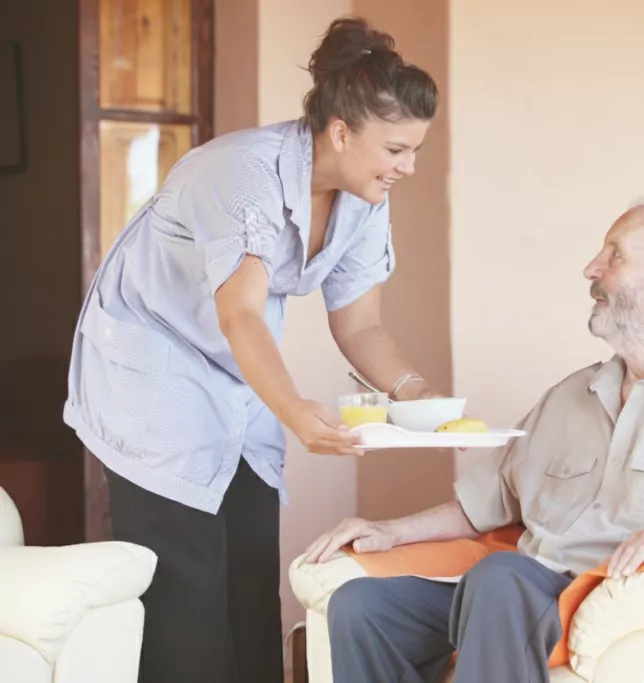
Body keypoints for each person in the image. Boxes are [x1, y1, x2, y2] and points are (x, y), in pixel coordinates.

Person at [63, 16, 444, 683]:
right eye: (396, 149)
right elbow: (239, 313)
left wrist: (418, 396)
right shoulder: (242, 173)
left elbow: (359, 328)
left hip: (237, 372)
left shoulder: (363, 196)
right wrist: (296, 410)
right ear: (341, 131)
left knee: (249, 577)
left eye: (415, 150)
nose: (408, 167)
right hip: (155, 367)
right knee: (187, 589)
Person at [305, 201, 644, 683]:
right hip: (512, 593)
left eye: (615, 255)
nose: (592, 268)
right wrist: (388, 531)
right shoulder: (569, 395)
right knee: (359, 607)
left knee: (500, 576)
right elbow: (483, 506)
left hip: (601, 591)